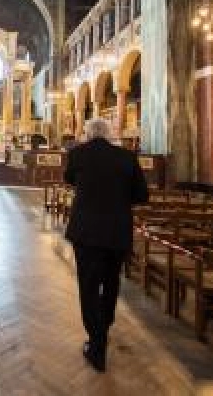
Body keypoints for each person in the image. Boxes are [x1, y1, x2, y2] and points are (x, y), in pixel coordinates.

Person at [64, 117, 149, 372]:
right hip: (116, 232)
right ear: (110, 134)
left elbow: (69, 180)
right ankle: (104, 327)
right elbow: (141, 195)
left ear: (88, 134)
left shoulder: (77, 153)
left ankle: (97, 342)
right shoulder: (127, 157)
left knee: (89, 286)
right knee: (111, 283)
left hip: (87, 232)